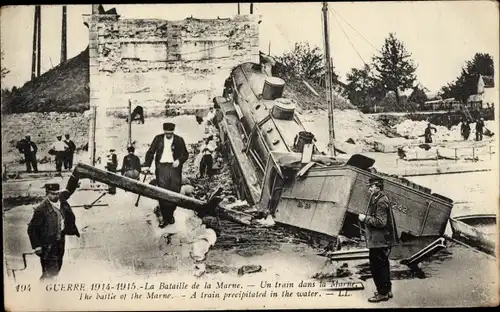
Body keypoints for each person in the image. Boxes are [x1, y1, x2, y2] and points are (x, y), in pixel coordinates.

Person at [27, 183, 80, 280]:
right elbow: (32, 229)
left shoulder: (62, 201)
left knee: (57, 265)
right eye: (52, 194)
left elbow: (69, 189)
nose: (55, 196)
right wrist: (37, 246)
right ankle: (47, 288)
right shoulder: (41, 209)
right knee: (51, 271)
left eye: (57, 193)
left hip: (60, 241)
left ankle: (45, 284)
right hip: (47, 244)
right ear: (47, 194)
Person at [358, 177, 397, 303]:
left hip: (379, 241)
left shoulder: (381, 201)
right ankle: (386, 290)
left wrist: (365, 219)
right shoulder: (379, 198)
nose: (369, 189)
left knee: (377, 267)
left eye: (371, 187)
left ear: (378, 187)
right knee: (383, 265)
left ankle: (382, 293)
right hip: (380, 240)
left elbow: (380, 222)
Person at [143, 122, 189, 227]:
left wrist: (179, 160)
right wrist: (147, 165)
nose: (168, 135)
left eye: (170, 133)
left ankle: (170, 215)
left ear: (173, 132)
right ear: (164, 132)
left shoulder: (179, 140)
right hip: (162, 168)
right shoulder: (158, 139)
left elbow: (185, 154)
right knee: (162, 193)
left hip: (174, 169)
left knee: (174, 192)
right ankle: (165, 217)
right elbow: (150, 152)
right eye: (167, 133)